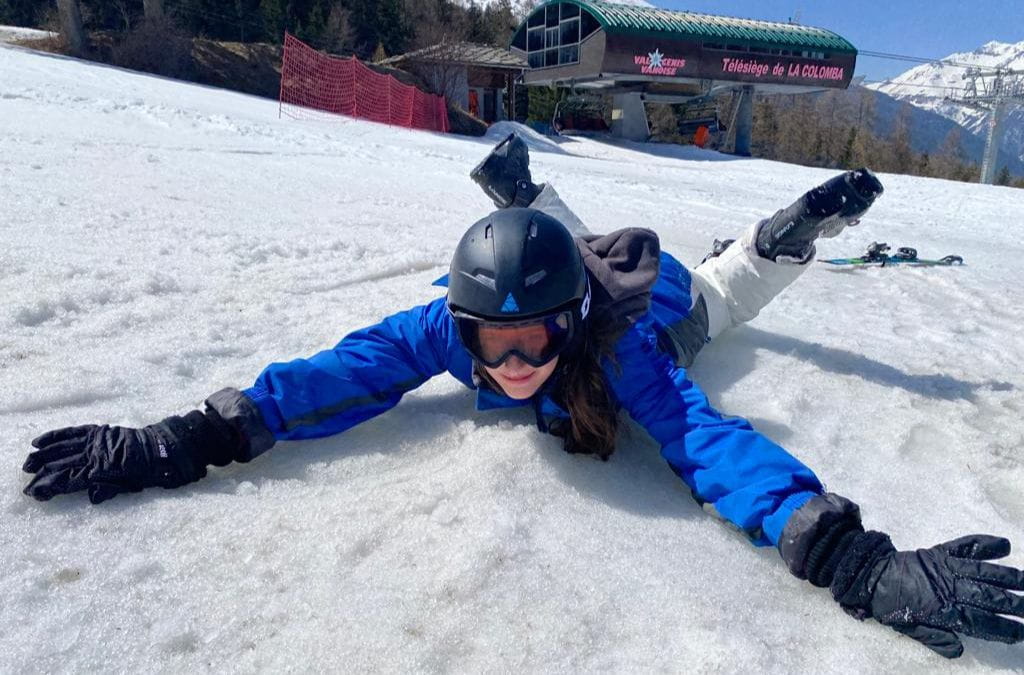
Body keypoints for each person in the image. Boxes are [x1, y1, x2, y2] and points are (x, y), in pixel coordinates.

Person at [23, 134, 1023, 659]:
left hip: (661, 302)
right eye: (489, 346)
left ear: (569, 323)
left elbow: (710, 445)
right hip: (571, 262)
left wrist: (843, 550)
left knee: (729, 287)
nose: (510, 365)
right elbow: (336, 374)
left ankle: (796, 222)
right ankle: (532, 205)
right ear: (461, 328)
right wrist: (194, 434)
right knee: (553, 245)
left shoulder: (618, 350)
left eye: (532, 342)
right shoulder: (452, 328)